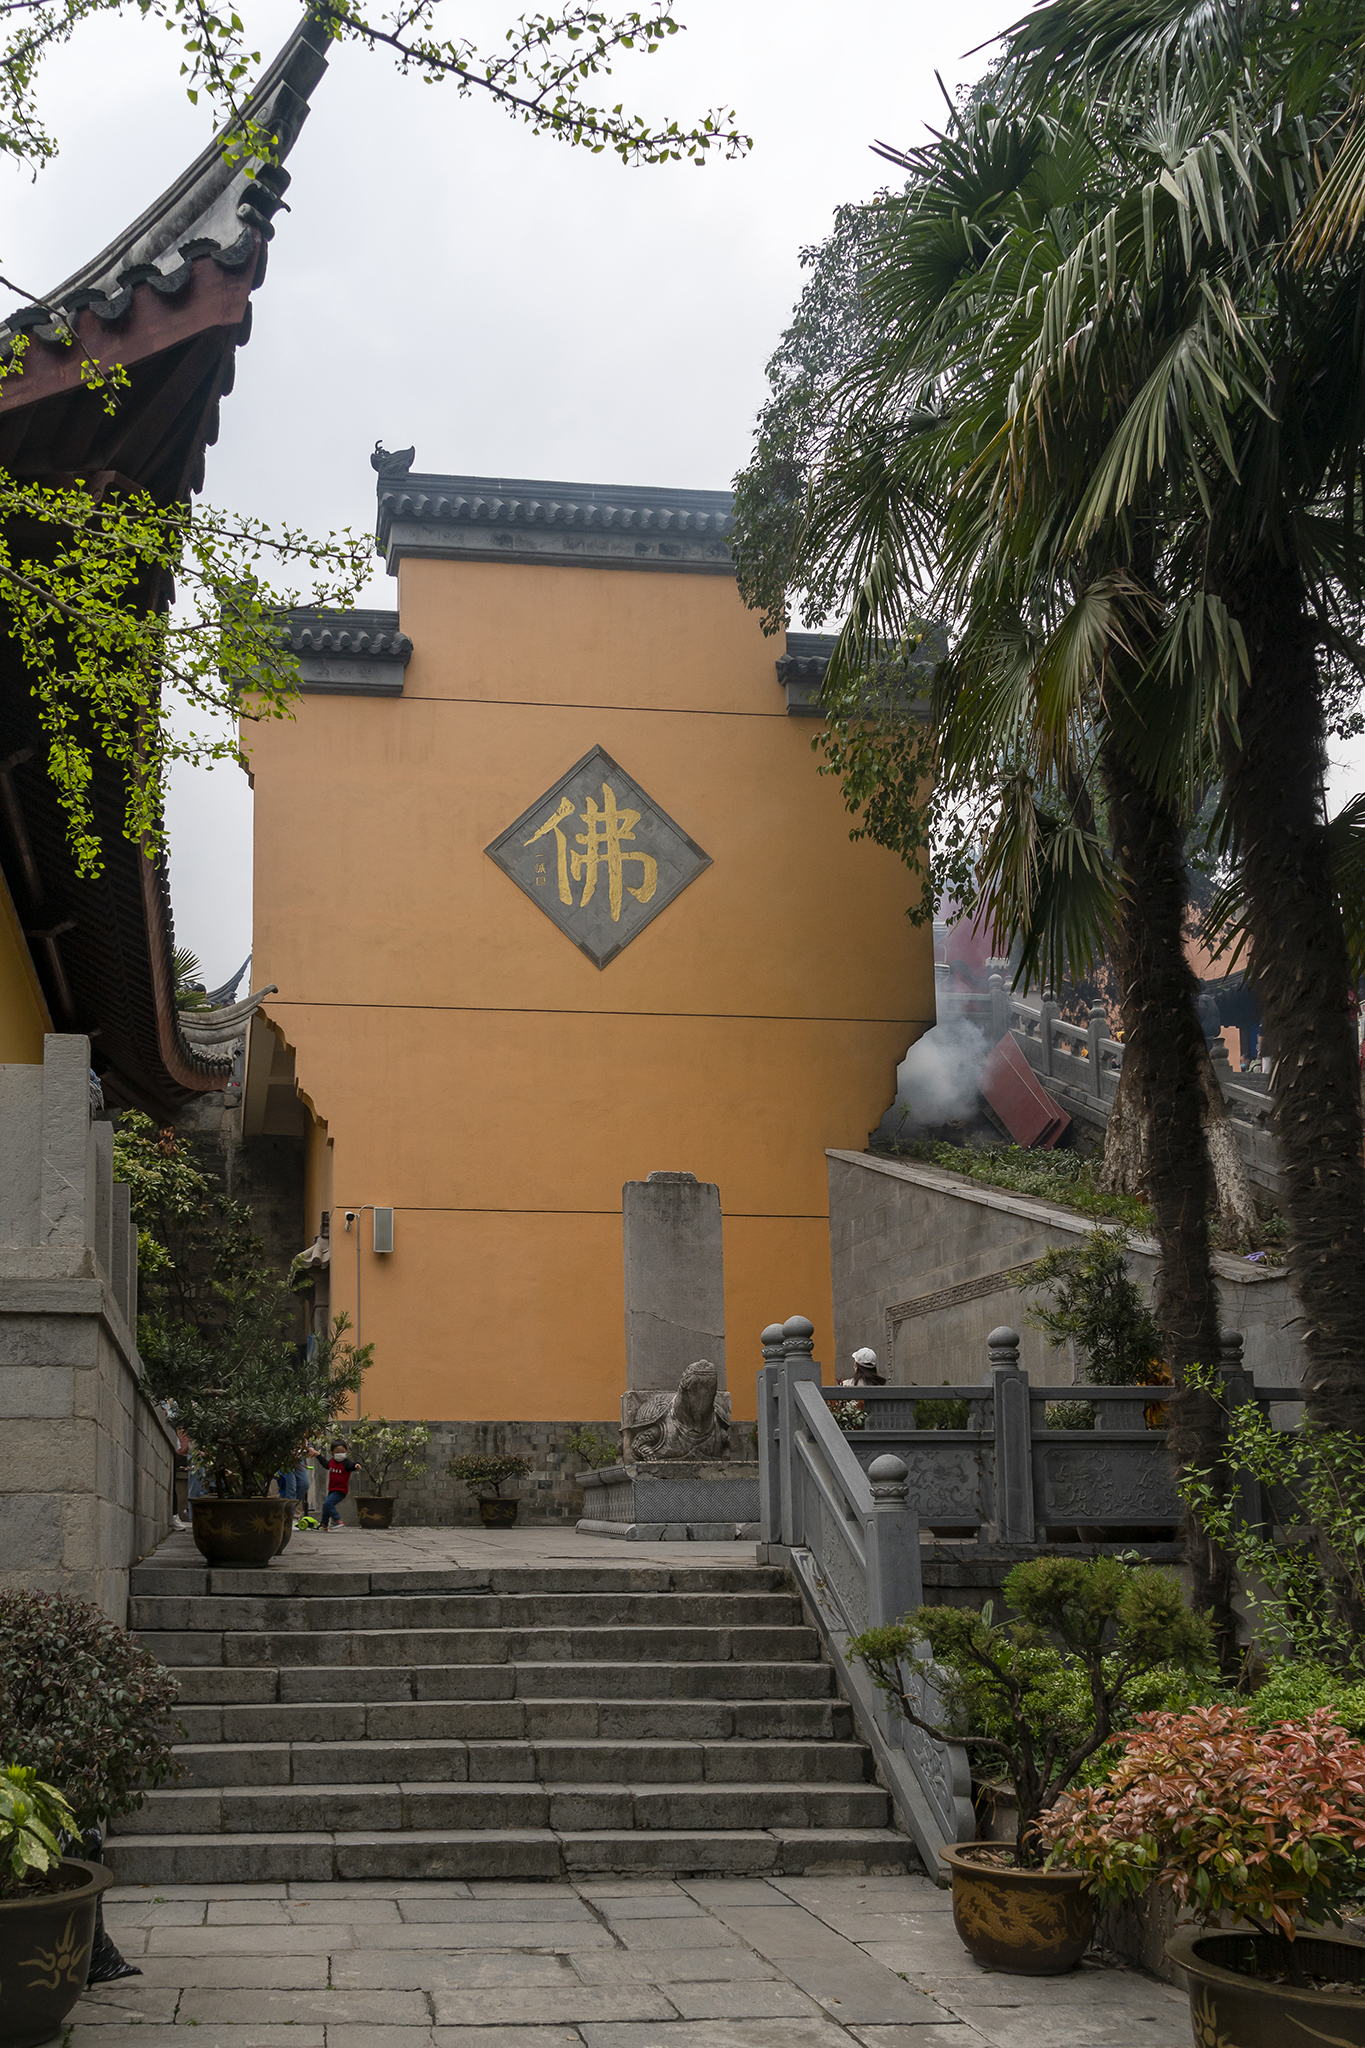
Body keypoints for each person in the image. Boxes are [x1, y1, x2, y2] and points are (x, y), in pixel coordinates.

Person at [316, 1441, 357, 1530]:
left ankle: (337, 1520)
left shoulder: (346, 1463)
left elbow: (351, 1465)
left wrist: (356, 1465)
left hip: (341, 1490)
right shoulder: (332, 1462)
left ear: (346, 1452)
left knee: (328, 1504)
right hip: (332, 1489)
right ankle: (324, 1524)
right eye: (337, 1452)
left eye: (342, 1452)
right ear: (332, 1453)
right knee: (326, 1506)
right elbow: (325, 1464)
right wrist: (318, 1456)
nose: (340, 1454)